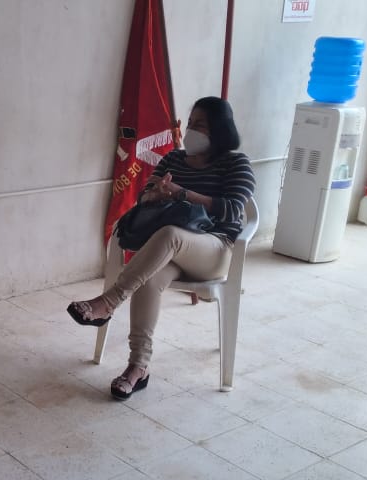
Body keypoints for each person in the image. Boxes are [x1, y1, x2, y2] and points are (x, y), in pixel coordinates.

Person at [67, 96, 255, 401]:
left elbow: (234, 210)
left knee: (170, 234)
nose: (191, 130)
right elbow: (144, 197)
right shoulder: (173, 159)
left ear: (220, 130)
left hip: (214, 249)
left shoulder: (236, 163)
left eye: (200, 125)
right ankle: (137, 368)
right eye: (190, 123)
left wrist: (183, 194)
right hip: (172, 250)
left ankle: (109, 302)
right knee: (149, 277)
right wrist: (154, 196)